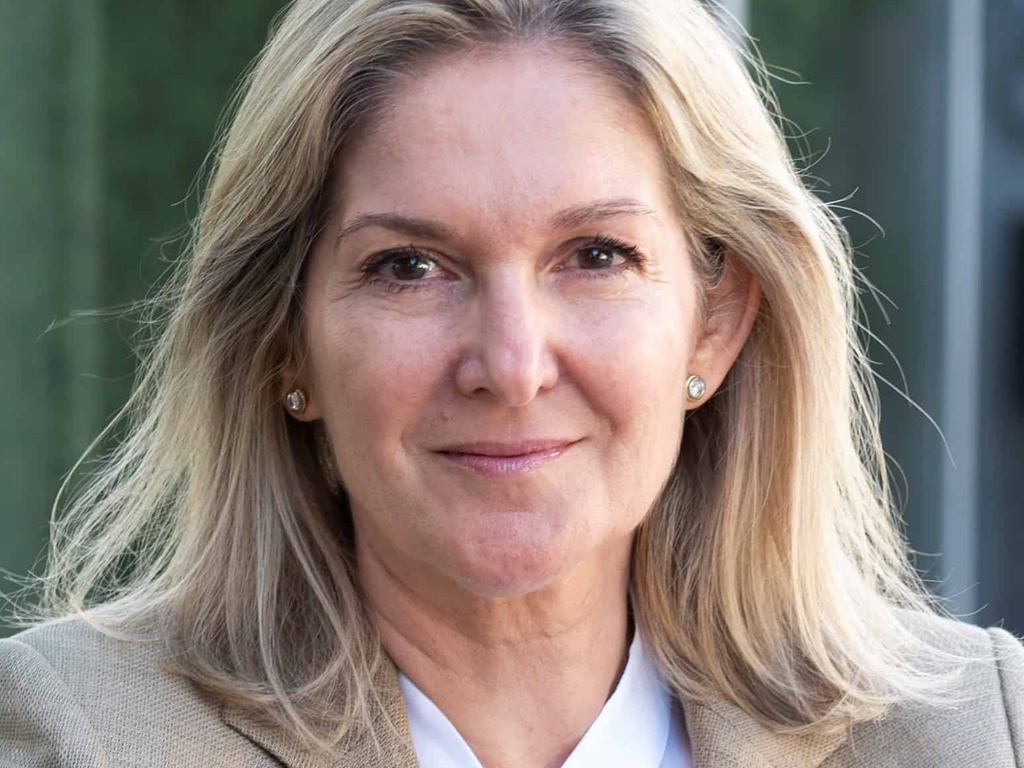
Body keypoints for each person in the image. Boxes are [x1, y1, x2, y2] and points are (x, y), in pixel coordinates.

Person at [2, 0, 1021, 766]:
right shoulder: (86, 735)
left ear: (714, 321)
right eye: (409, 266)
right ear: (286, 343)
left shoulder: (975, 732)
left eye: (595, 255)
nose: (513, 365)